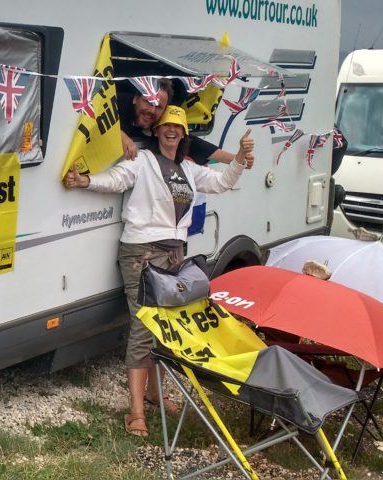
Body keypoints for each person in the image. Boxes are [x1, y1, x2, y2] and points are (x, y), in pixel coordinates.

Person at [64, 105, 254, 437]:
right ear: (157, 131)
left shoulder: (189, 168)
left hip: (174, 254)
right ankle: (136, 411)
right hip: (141, 253)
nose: (171, 131)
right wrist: (85, 181)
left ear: (184, 134)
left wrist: (238, 158)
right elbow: (117, 179)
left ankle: (155, 393)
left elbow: (222, 182)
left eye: (177, 127)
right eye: (166, 126)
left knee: (167, 327)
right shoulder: (143, 160)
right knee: (143, 327)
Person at [118, 79, 252, 168]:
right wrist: (120, 135)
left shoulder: (158, 121)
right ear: (135, 99)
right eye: (149, 102)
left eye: (159, 107)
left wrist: (237, 159)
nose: (152, 110)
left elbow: (193, 143)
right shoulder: (115, 103)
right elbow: (103, 123)